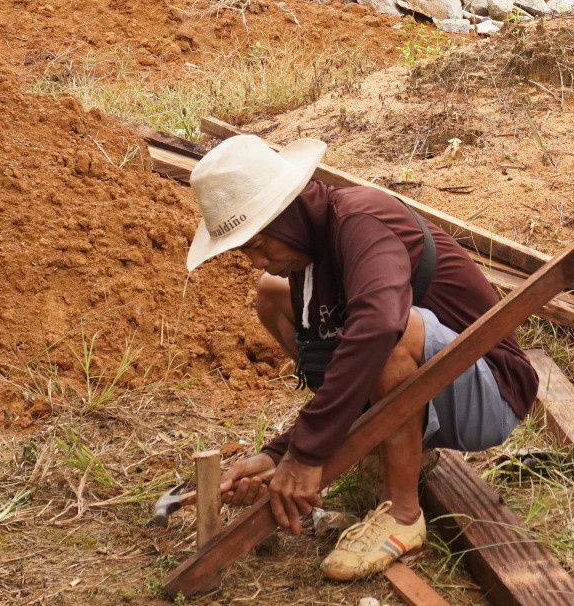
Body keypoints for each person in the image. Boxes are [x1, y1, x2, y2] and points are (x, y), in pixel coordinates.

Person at [184, 134, 538, 581]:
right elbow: (340, 362)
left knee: (390, 329)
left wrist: (310, 454)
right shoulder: (306, 259)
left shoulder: (361, 220)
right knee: (271, 295)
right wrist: (281, 454)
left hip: (491, 394)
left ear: (286, 211)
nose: (256, 260)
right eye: (244, 250)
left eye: (259, 243)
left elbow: (378, 328)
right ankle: (389, 443)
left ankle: (404, 516)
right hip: (425, 391)